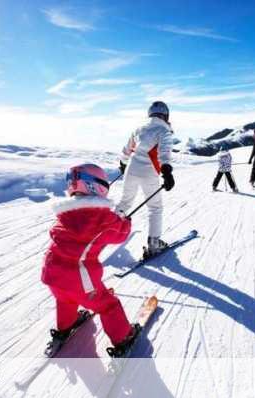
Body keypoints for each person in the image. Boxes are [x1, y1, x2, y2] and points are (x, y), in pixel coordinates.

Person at [41, 163, 140, 354]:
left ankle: (65, 326)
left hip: (52, 273)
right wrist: (125, 220)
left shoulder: (65, 212)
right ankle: (123, 337)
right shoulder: (102, 217)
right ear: (97, 186)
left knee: (65, 299)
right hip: (79, 279)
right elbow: (120, 234)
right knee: (108, 305)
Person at [116, 101, 175, 256]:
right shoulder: (164, 130)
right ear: (165, 114)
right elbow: (164, 153)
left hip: (131, 169)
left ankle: (107, 233)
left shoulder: (138, 128)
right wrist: (167, 172)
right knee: (155, 207)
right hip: (149, 172)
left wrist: (123, 164)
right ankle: (154, 243)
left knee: (125, 202)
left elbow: (127, 150)